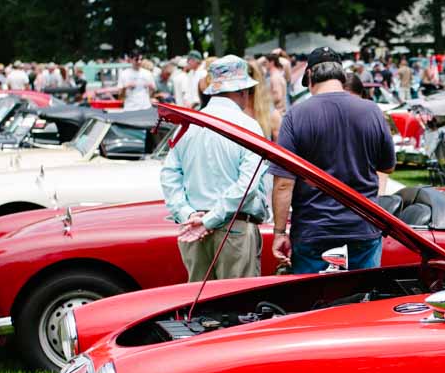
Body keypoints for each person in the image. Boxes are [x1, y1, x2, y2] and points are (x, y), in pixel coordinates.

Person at [272, 47, 395, 273]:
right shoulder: (372, 111)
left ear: (309, 76)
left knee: (315, 306)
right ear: (340, 75)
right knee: (364, 303)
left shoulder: (295, 115)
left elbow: (283, 183)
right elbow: (386, 166)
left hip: (313, 232)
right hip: (363, 228)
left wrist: (279, 233)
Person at [158, 55, 270, 282]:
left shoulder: (188, 125)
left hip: (193, 227)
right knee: (238, 305)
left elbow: (169, 175)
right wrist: (210, 219)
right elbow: (247, 185)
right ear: (243, 91)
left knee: (199, 308)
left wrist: (187, 213)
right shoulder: (248, 126)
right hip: (235, 227)